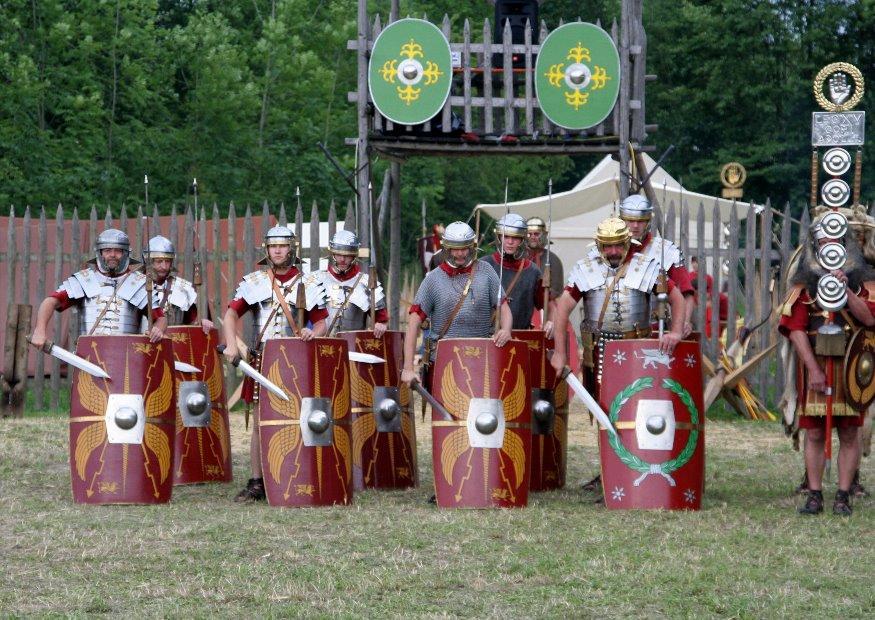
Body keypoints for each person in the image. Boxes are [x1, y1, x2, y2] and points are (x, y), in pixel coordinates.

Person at [221, 225, 329, 502]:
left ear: (290, 249)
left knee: (298, 418)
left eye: (282, 246)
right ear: (266, 250)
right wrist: (232, 345)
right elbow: (231, 314)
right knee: (260, 422)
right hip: (262, 360)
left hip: (296, 361)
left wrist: (312, 333)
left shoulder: (309, 282)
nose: (277, 250)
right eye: (273, 246)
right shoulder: (255, 281)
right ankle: (258, 481)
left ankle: (296, 473)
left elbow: (321, 322)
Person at [780, 219, 875, 516]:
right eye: (822, 243)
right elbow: (795, 329)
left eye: (832, 242)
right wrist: (814, 370)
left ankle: (843, 495)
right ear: (816, 245)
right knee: (815, 434)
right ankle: (815, 494)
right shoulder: (804, 283)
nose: (827, 247)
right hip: (815, 364)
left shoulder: (862, 280)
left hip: (851, 367)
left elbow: (870, 320)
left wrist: (844, 291)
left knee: (849, 434)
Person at [551, 216, 685, 394]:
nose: (613, 251)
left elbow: (677, 299)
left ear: (628, 242)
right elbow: (562, 308)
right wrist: (560, 353)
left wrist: (676, 332)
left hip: (637, 348)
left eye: (619, 245)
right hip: (598, 351)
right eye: (608, 246)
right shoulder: (586, 269)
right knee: (602, 403)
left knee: (636, 402)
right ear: (599, 245)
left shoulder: (646, 267)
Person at [401, 221, 512, 389]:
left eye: (464, 248)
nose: (460, 253)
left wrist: (506, 329)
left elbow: (503, 307)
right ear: (446, 248)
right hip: (443, 360)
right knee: (444, 415)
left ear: (472, 247)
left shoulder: (486, 271)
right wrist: (408, 368)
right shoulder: (433, 279)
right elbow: (413, 323)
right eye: (455, 249)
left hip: (480, 358)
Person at [30, 228, 166, 348]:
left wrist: (158, 330)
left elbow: (160, 318)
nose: (112, 255)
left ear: (126, 254)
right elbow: (50, 301)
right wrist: (39, 330)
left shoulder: (139, 283)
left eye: (118, 251)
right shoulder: (84, 280)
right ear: (100, 254)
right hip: (88, 357)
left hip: (127, 359)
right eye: (107, 250)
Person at [616, 195, 695, 336]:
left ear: (648, 221)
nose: (635, 226)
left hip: (656, 329)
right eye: (630, 220)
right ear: (622, 220)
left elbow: (686, 294)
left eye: (640, 221)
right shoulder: (612, 251)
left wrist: (685, 321)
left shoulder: (666, 251)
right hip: (616, 329)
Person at [482, 213, 549, 333]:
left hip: (520, 338)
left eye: (515, 237)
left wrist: (550, 321)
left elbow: (548, 305)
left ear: (523, 240)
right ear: (498, 237)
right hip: (486, 337)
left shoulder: (533, 271)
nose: (510, 241)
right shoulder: (483, 265)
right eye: (506, 236)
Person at [315, 230, 388, 335]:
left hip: (353, 347)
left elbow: (382, 319)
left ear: (354, 256)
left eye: (347, 255)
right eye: (339, 254)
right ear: (333, 254)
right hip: (323, 346)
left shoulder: (366, 283)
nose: (343, 259)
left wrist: (381, 324)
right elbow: (301, 318)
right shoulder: (318, 280)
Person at [145, 235, 212, 331]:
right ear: (149, 262)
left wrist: (201, 322)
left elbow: (193, 320)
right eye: (159, 261)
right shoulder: (136, 286)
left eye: (167, 261)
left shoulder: (182, 288)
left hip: (173, 343)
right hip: (140, 343)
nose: (164, 266)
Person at [526, 216, 564, 302]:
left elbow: (557, 291)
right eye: (529, 234)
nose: (532, 237)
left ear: (544, 234)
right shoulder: (518, 258)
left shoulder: (553, 260)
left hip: (546, 307)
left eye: (536, 234)